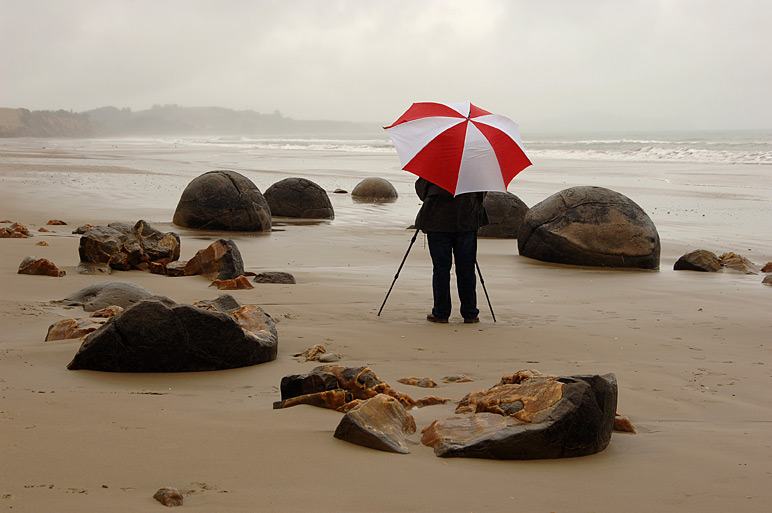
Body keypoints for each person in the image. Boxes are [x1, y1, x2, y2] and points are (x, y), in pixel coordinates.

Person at [414, 177, 488, 324]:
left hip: (438, 222)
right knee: (466, 269)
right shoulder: (473, 168)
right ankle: (470, 313)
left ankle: (441, 313)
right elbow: (481, 195)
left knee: (441, 269)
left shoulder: (434, 166)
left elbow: (422, 192)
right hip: (466, 222)